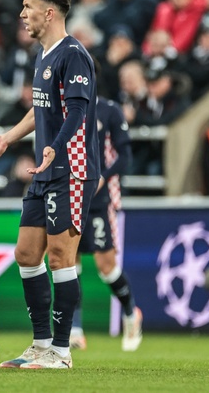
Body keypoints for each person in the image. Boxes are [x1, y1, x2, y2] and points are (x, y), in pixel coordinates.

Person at [0, 0, 101, 369]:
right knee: (27, 254)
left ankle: (61, 352)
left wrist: (55, 146)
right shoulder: (43, 55)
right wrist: (8, 138)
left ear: (49, 13)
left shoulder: (73, 55)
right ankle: (41, 343)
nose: (22, 13)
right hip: (45, 170)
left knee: (62, 256)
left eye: (28, 6)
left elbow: (77, 111)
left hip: (71, 169)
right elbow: (41, 108)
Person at [69, 96, 143, 352]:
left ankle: (131, 313)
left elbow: (125, 155)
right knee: (68, 262)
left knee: (106, 267)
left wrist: (103, 177)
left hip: (100, 199)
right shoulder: (65, 106)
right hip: (70, 194)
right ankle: (75, 329)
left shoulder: (108, 110)